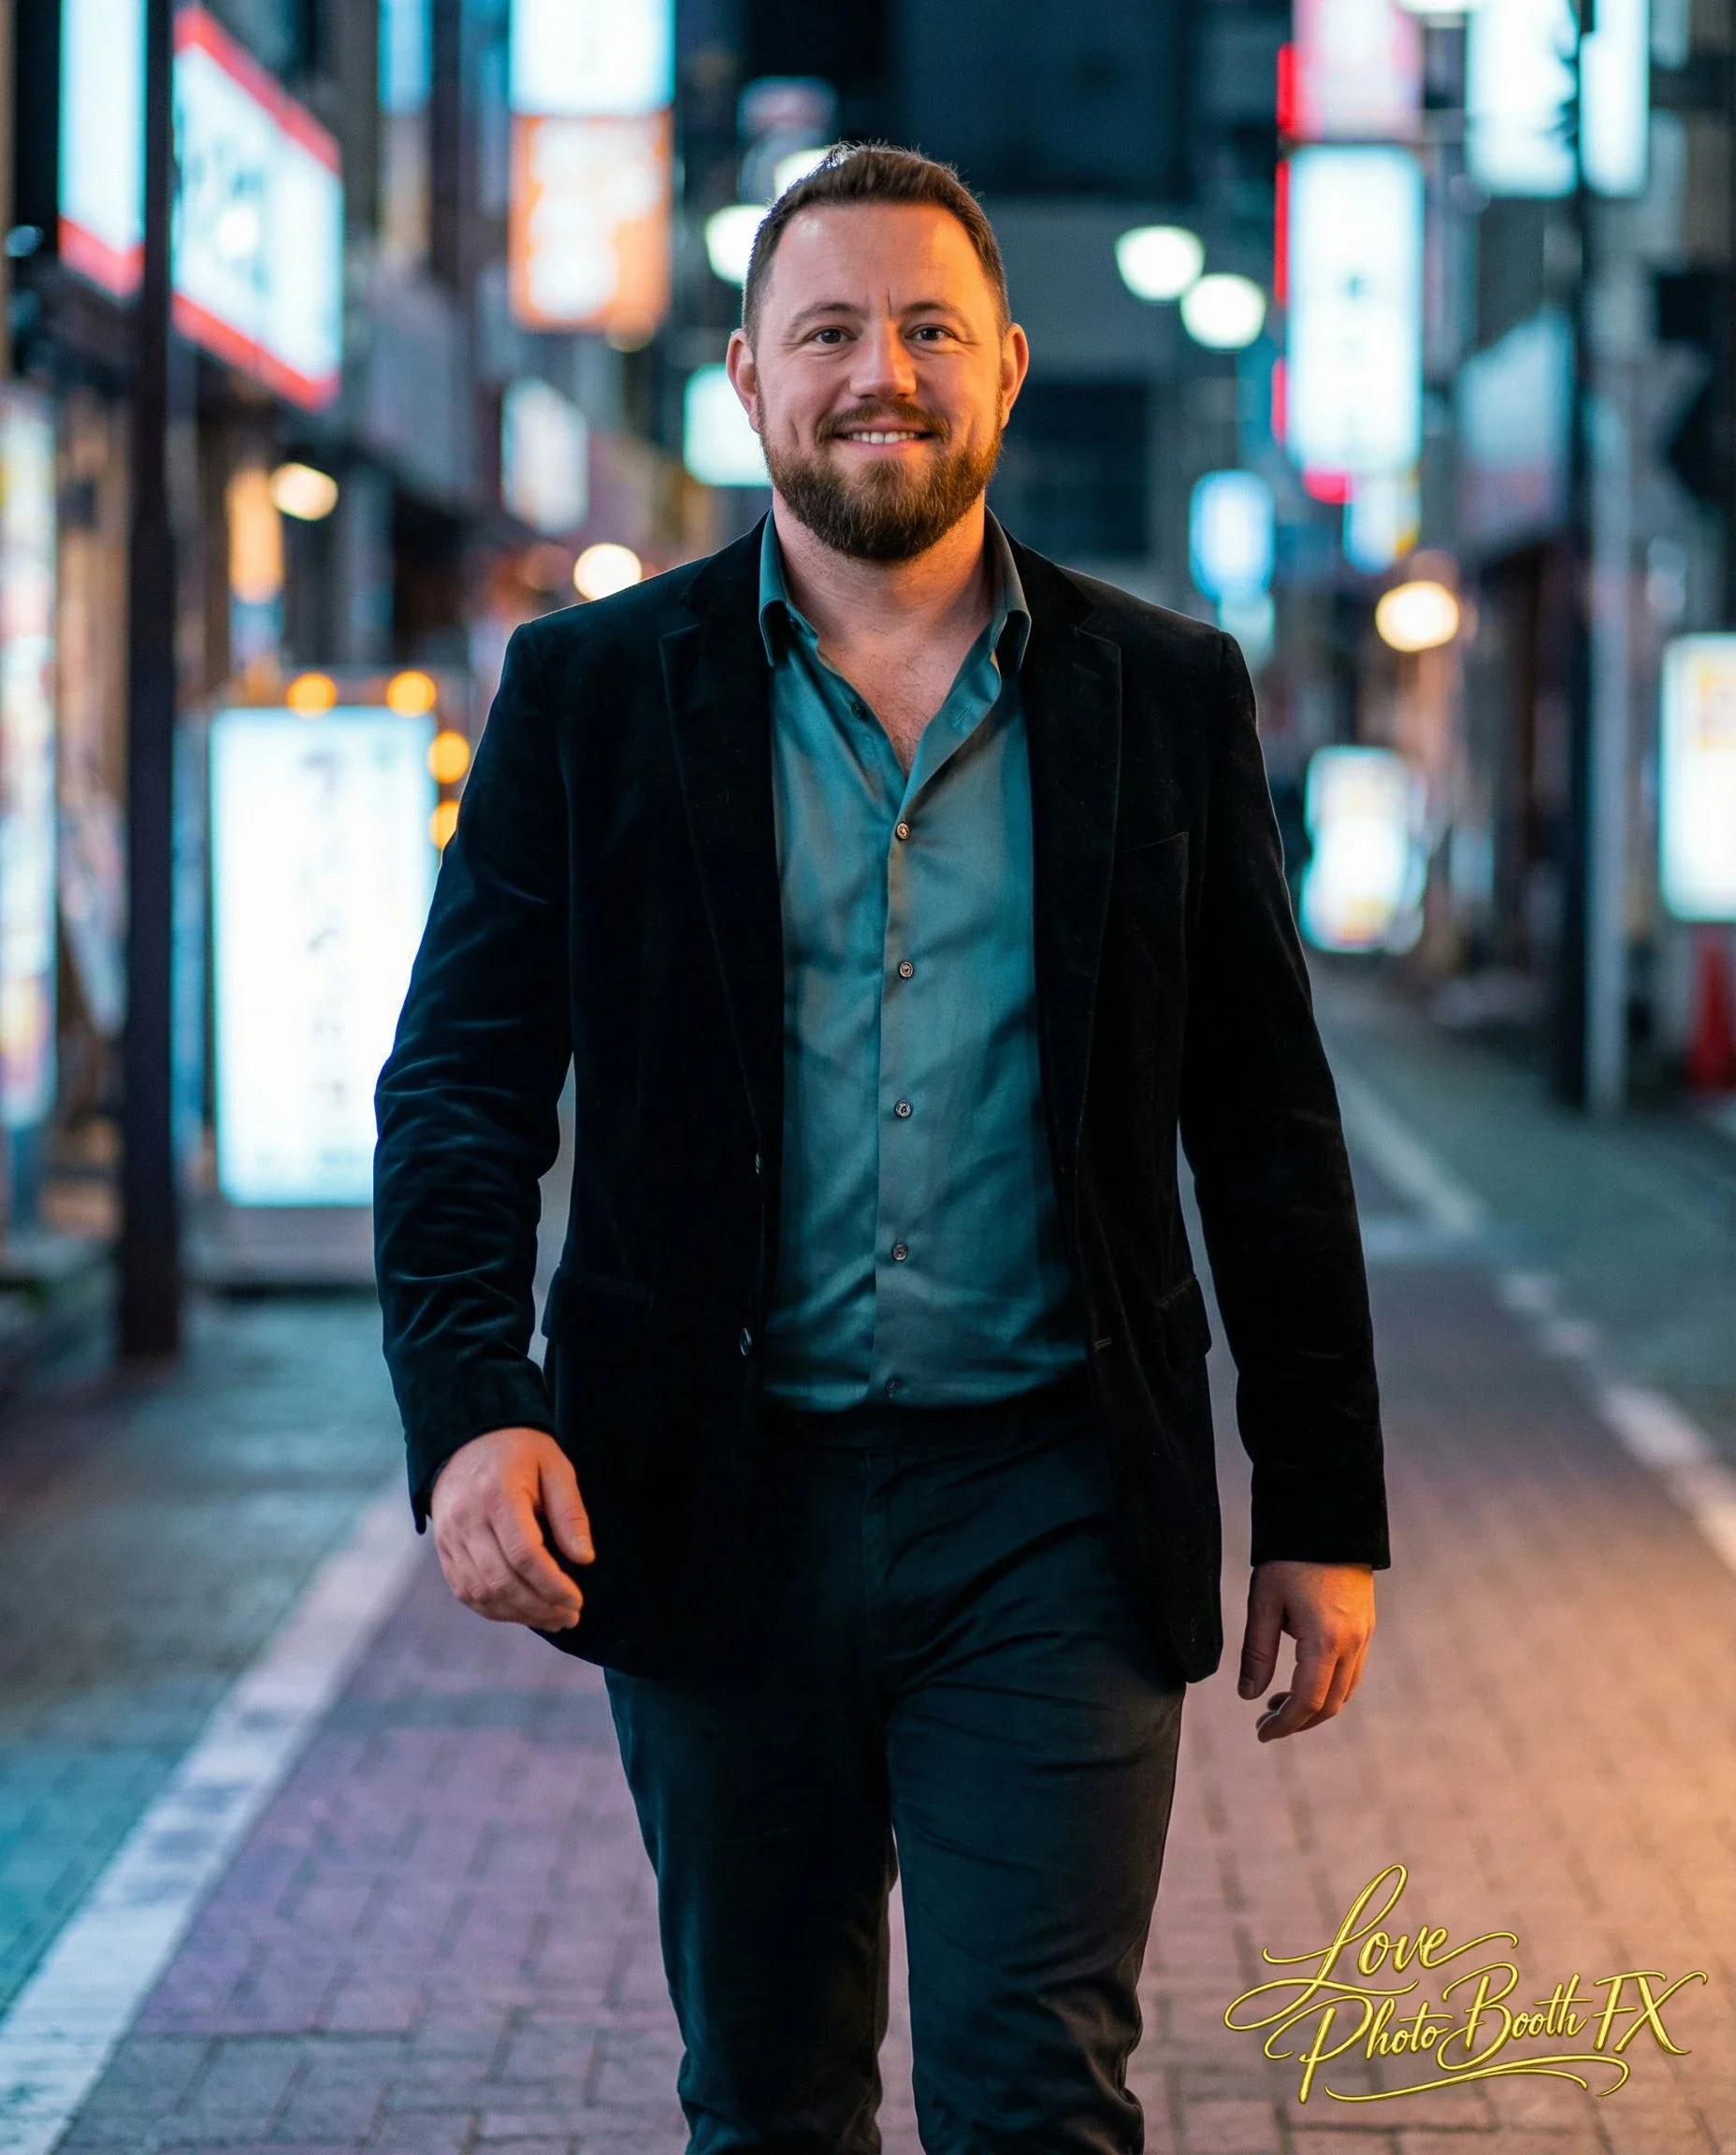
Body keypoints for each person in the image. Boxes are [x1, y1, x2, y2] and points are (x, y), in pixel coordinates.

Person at [374, 143, 1387, 2155]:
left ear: (1003, 368)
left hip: (1054, 1517)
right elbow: (463, 1082)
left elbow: (1264, 1122)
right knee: (766, 2097)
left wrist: (1324, 1507)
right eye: (826, 331)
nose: (880, 372)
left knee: (1034, 2092)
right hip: (712, 1504)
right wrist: (475, 1406)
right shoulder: (589, 694)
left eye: (927, 330)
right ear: (746, 380)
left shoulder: (1161, 695)